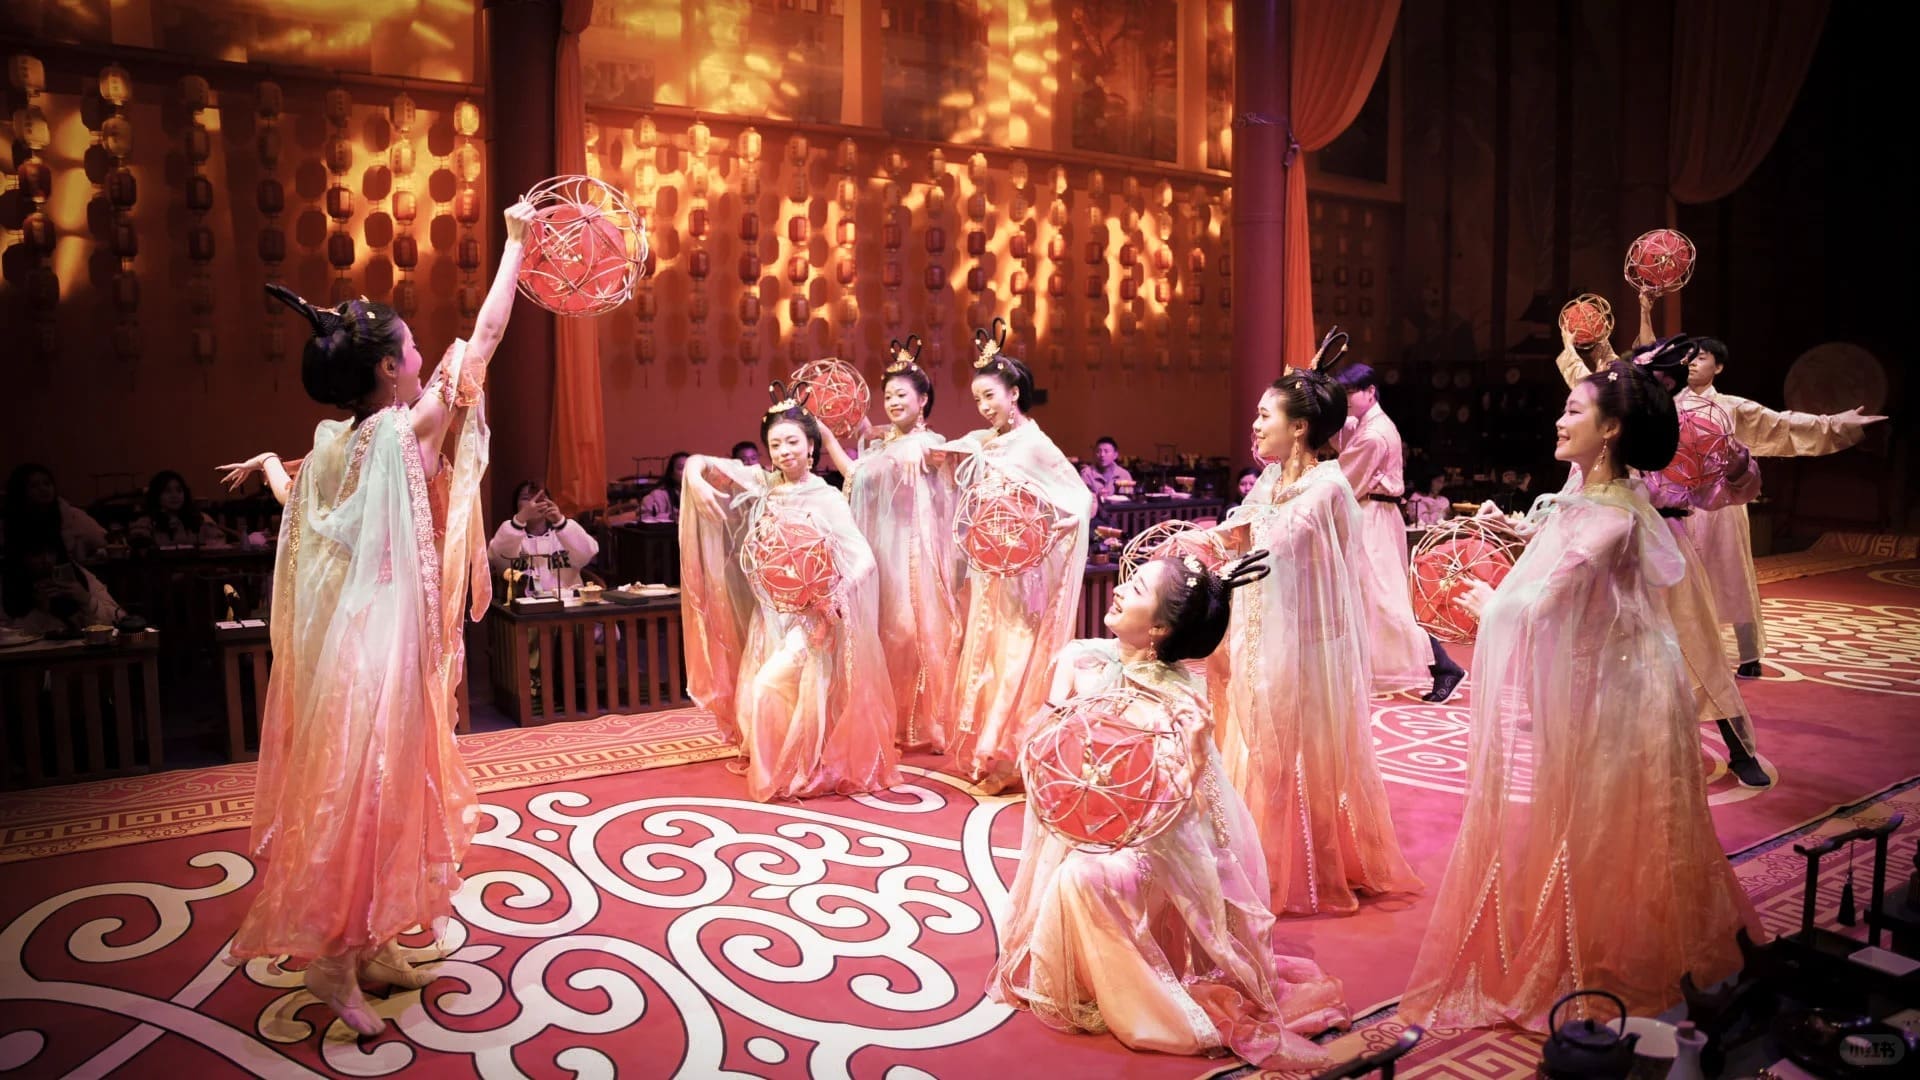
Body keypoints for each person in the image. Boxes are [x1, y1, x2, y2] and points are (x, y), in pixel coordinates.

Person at [213, 199, 536, 1036]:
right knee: (365, 800)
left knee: (387, 793)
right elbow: (487, 337)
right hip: (378, 653)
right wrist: (514, 245)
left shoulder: (331, 445)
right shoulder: (401, 435)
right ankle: (330, 959)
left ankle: (373, 938)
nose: (426, 356)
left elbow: (304, 508)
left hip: (359, 645)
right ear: (392, 370)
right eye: (413, 348)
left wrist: (268, 467)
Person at [1402, 360, 1761, 1030]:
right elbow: (1560, 551)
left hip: (1623, 690)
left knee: (1606, 824)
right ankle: (1594, 940)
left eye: (1574, 410)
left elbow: (1545, 598)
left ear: (1612, 427)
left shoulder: (1613, 516)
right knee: (1587, 816)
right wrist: (1517, 535)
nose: (1560, 420)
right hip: (1601, 673)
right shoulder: (1597, 495)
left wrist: (1488, 603)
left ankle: (1610, 957)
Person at [988, 551, 1348, 1070]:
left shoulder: (1179, 701)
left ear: (1157, 628)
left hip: (1158, 842)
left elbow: (1183, 810)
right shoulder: (1083, 659)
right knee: (1074, 865)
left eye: (1135, 590)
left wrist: (1188, 760)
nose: (1118, 589)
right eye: (1129, 581)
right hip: (1089, 816)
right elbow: (1047, 743)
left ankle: (1159, 1009)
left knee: (1082, 877)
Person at [1209, 354, 1421, 916]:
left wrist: (1224, 549)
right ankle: (1248, 850)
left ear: (1299, 427)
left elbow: (1271, 545)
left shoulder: (1327, 488)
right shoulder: (1272, 478)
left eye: (1265, 415)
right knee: (1254, 737)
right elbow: (1239, 531)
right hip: (1259, 627)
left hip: (1302, 643)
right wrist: (1200, 542)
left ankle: (1293, 864)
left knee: (1289, 747)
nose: (1255, 425)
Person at [1553, 327, 1771, 787]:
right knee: (1605, 646)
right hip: (1608, 549)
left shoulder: (1683, 432)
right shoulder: (1605, 436)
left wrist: (1736, 466)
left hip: (1664, 541)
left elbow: (1722, 493)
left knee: (1697, 646)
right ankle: (1602, 743)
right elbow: (1575, 495)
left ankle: (1738, 747)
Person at [680, 382, 901, 801]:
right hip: (770, 615)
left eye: (793, 442)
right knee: (774, 692)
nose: (784, 451)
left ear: (811, 446)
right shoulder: (764, 485)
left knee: (771, 687)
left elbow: (863, 558)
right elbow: (703, 463)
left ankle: (787, 772)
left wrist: (832, 599)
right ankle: (791, 758)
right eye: (776, 444)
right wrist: (694, 474)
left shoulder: (826, 497)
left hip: (810, 618)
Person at [937, 320, 1092, 793]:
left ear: (1015, 393)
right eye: (978, 399)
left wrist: (1067, 521)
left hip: (1025, 572)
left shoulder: (1035, 444)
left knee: (1014, 658)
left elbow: (1081, 497)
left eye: (990, 396)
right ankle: (990, 751)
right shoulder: (987, 441)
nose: (984, 407)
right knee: (988, 652)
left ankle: (1006, 754)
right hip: (992, 570)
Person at [1679, 336, 1885, 677]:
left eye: (1700, 357)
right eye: (1687, 357)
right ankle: (1681, 652)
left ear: (1719, 366)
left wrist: (1838, 424)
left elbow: (1783, 425)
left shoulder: (1732, 407)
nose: (1692, 363)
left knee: (1731, 572)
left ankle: (1748, 654)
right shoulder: (1667, 406)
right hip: (1679, 500)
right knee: (1678, 576)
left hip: (1723, 502)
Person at [816, 337, 965, 752]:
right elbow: (856, 469)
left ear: (923, 400)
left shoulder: (929, 443)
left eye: (902, 395)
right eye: (889, 396)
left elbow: (930, 451)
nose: (894, 402)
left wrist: (914, 445)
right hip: (879, 550)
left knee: (910, 631)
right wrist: (831, 432)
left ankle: (928, 722)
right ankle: (890, 720)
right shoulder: (883, 443)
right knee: (883, 632)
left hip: (912, 553)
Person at [1331, 364, 1465, 702]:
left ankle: (1444, 666)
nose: (1346, 399)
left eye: (1350, 392)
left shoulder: (1374, 433)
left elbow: (1346, 478)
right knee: (1373, 598)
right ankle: (1382, 670)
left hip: (1374, 515)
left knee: (1384, 600)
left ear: (1370, 391)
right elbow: (1341, 435)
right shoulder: (1367, 424)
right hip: (1375, 513)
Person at [488, 481, 601, 595]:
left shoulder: (566, 532)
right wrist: (518, 521)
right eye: (526, 498)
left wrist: (560, 521)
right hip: (524, 603)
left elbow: (588, 553)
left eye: (540, 498)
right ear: (516, 506)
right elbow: (499, 560)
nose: (533, 503)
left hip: (568, 601)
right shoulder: (508, 534)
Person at [1, 535, 121, 634]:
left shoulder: (75, 574)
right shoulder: (7, 583)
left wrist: (85, 599)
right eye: (36, 554)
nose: (46, 560)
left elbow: (119, 618)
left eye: (51, 552)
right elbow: (8, 637)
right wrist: (40, 611)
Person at [3, 463, 107, 560]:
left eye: (47, 483)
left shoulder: (67, 514)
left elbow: (101, 540)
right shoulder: (15, 522)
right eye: (34, 485)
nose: (43, 489)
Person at [131, 470, 233, 547]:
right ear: (156, 495)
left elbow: (219, 542)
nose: (174, 495)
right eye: (167, 491)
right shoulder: (146, 522)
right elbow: (139, 544)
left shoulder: (199, 519)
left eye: (179, 490)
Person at [638, 452, 691, 523]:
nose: (687, 472)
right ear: (671, 474)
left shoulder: (700, 495)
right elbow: (644, 517)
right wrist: (670, 517)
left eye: (690, 468)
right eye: (681, 468)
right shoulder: (658, 495)